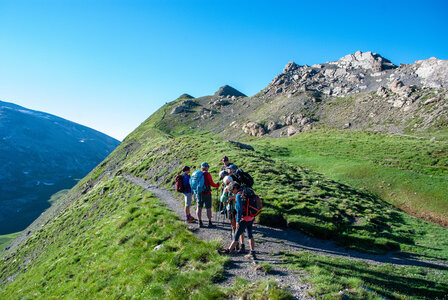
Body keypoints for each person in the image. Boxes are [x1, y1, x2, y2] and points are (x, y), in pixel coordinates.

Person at [220, 181, 256, 259]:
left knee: (236, 236)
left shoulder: (239, 195)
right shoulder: (247, 191)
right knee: (250, 235)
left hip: (243, 219)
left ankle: (227, 251)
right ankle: (252, 252)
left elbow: (239, 210)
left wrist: (237, 221)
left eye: (232, 191)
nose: (232, 192)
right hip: (251, 217)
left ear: (235, 188)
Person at [197, 162, 219, 228]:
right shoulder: (207, 174)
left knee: (199, 207)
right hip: (207, 193)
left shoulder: (197, 174)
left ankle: (200, 222)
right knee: (208, 208)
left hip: (199, 193)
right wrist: (217, 185)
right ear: (206, 167)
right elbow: (212, 183)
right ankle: (209, 222)